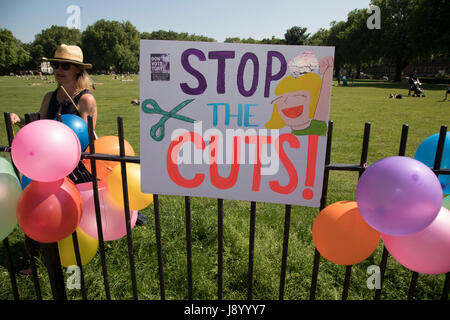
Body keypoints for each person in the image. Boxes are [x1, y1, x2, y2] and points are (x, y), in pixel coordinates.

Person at [265, 55, 334, 136]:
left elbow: (324, 96)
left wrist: (328, 71)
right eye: (281, 97)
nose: (286, 101)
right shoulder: (278, 132)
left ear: (314, 100)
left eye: (298, 96)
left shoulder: (317, 126)